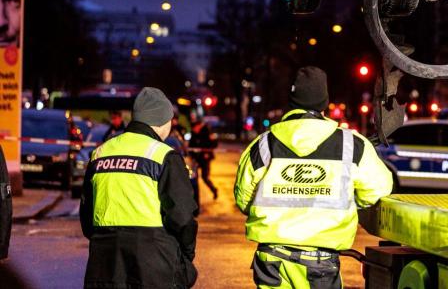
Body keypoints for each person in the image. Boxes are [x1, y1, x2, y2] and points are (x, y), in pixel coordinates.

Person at [235, 67, 393, 289]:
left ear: (292, 100)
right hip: (321, 261)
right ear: (324, 102)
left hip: (271, 258)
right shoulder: (351, 145)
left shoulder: (264, 145)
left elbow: (243, 199)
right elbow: (379, 189)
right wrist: (349, 203)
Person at [80, 87, 199, 288]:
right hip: (153, 261)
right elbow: (183, 216)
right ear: (161, 121)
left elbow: (86, 214)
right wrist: (185, 255)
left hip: (105, 259)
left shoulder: (101, 152)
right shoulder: (164, 156)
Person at [189, 112, 218, 200]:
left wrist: (207, 153)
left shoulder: (207, 131)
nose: (194, 129)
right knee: (194, 178)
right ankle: (194, 198)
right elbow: (191, 144)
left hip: (205, 158)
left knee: (205, 177)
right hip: (196, 158)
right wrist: (191, 154)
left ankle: (214, 190)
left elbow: (214, 144)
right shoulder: (193, 132)